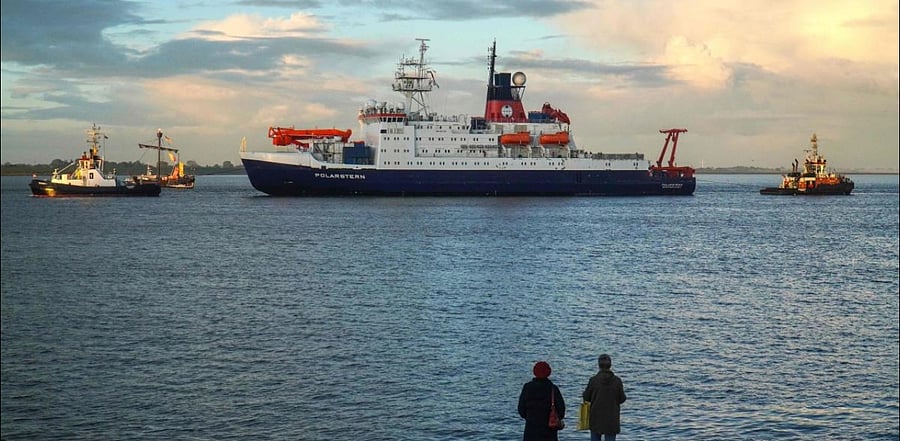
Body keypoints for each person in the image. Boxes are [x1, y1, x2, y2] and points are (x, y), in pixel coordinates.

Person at [582, 354, 626, 441]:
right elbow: (622, 399)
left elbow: (586, 397)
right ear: (610, 365)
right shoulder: (617, 381)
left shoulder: (593, 380)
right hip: (612, 418)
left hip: (596, 417)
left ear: (599, 365)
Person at [518, 361, 566, 441]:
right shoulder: (553, 389)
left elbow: (521, 410)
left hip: (531, 430)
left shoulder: (527, 387)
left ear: (534, 372)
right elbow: (561, 411)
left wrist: (530, 417)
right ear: (549, 372)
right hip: (549, 432)